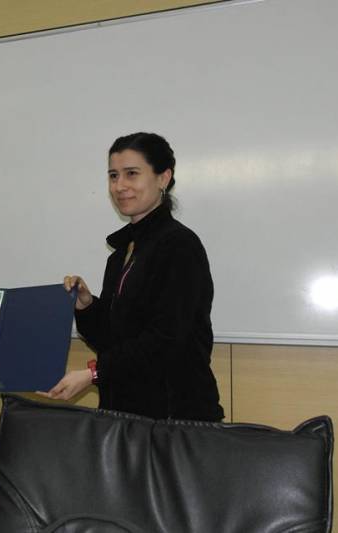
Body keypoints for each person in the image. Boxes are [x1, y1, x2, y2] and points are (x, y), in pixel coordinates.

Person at [44, 133, 224, 422]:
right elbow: (114, 340)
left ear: (163, 178)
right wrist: (87, 306)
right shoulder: (121, 252)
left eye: (132, 174)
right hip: (125, 414)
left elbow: (166, 340)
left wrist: (94, 374)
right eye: (113, 176)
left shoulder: (179, 245)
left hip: (174, 418)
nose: (119, 186)